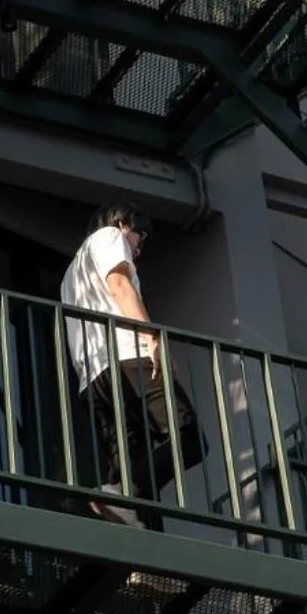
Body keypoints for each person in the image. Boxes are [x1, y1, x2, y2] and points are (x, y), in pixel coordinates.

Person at [61, 203, 201, 526]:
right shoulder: (110, 236)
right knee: (189, 436)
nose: (138, 248)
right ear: (124, 223)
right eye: (140, 237)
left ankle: (144, 567)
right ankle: (120, 493)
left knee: (132, 467)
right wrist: (153, 338)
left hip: (92, 377)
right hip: (127, 355)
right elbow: (121, 287)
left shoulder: (70, 274)